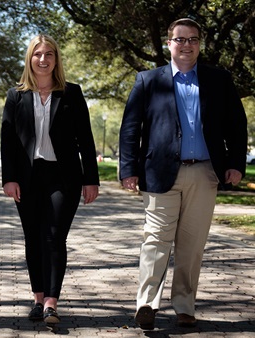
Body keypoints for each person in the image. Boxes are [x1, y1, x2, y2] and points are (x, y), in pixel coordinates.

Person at [119, 18, 247, 330]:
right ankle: (146, 304)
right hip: (160, 174)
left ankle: (184, 306)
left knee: (192, 245)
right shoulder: (148, 80)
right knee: (156, 240)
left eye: (192, 39)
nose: (186, 45)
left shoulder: (219, 80)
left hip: (205, 174)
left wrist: (235, 164)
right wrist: (128, 169)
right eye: (180, 39)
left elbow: (236, 125)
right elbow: (130, 129)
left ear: (199, 44)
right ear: (169, 43)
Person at [0, 34, 99, 327]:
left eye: (49, 55)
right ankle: (38, 297)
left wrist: (91, 179)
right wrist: (9, 178)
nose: (43, 60)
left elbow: (86, 139)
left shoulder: (71, 93)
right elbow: (8, 141)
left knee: (54, 236)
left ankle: (52, 303)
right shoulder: (15, 95)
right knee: (33, 238)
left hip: (63, 176)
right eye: (37, 54)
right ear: (30, 59)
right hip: (27, 177)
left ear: (56, 59)